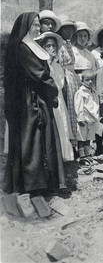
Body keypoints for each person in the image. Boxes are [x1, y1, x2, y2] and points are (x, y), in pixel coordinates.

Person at [3, 12, 65, 194]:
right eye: (35, 25)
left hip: (35, 98)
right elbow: (39, 75)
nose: (38, 28)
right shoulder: (23, 48)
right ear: (26, 27)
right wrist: (53, 89)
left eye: (39, 25)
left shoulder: (30, 46)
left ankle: (40, 183)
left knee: (38, 142)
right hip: (29, 103)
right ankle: (33, 185)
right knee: (32, 142)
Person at [35, 32, 74, 162]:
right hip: (48, 101)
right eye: (48, 46)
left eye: (54, 46)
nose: (52, 49)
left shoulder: (57, 66)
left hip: (58, 101)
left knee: (61, 125)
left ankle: (62, 157)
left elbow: (60, 86)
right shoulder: (42, 66)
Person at [55, 19, 81, 151]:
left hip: (72, 76)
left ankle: (76, 144)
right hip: (64, 76)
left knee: (75, 109)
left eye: (71, 29)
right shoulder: (60, 45)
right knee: (68, 107)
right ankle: (69, 144)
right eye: (66, 29)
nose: (69, 32)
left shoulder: (69, 44)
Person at [74, 70, 100, 166]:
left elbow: (95, 103)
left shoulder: (93, 91)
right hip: (84, 119)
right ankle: (82, 156)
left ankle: (88, 155)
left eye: (92, 80)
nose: (90, 82)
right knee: (82, 138)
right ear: (82, 80)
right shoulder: (80, 92)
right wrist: (80, 117)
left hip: (92, 118)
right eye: (87, 80)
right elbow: (78, 105)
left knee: (89, 138)